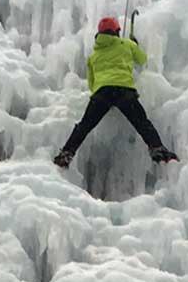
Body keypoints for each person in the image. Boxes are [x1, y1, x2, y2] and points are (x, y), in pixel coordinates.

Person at [52, 16, 178, 168]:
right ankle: (157, 149)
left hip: (102, 93)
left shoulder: (93, 56)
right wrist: (134, 44)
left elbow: (92, 85)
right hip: (124, 92)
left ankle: (66, 154)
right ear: (116, 32)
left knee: (84, 126)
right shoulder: (126, 44)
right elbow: (142, 59)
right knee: (142, 123)